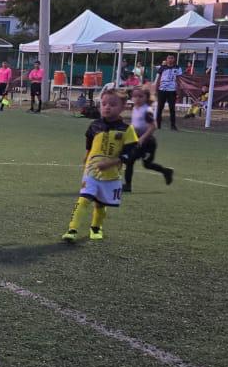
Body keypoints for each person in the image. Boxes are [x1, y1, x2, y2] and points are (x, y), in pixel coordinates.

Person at [61, 88, 152, 244]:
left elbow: (131, 152)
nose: (107, 107)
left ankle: (96, 227)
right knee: (84, 198)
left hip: (111, 174)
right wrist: (87, 157)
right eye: (103, 104)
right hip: (91, 171)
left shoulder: (127, 130)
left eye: (112, 104)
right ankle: (72, 229)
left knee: (100, 203)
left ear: (123, 107)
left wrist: (112, 162)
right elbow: (90, 144)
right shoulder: (94, 125)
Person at [124, 86, 174, 192]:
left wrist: (142, 138)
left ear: (146, 97)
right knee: (130, 161)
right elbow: (136, 124)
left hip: (148, 143)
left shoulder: (147, 110)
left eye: (140, 96)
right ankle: (128, 185)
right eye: (135, 96)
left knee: (146, 164)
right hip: (137, 140)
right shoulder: (135, 108)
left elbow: (153, 126)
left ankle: (166, 171)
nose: (137, 98)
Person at [154, 54, 181, 130]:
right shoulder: (162, 67)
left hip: (172, 91)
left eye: (172, 58)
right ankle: (158, 124)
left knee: (172, 108)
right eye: (169, 58)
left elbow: (179, 80)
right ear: (166, 59)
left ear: (174, 59)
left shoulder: (177, 68)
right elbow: (158, 79)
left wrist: (178, 91)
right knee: (160, 107)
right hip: (162, 90)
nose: (170, 59)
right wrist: (156, 89)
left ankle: (173, 125)